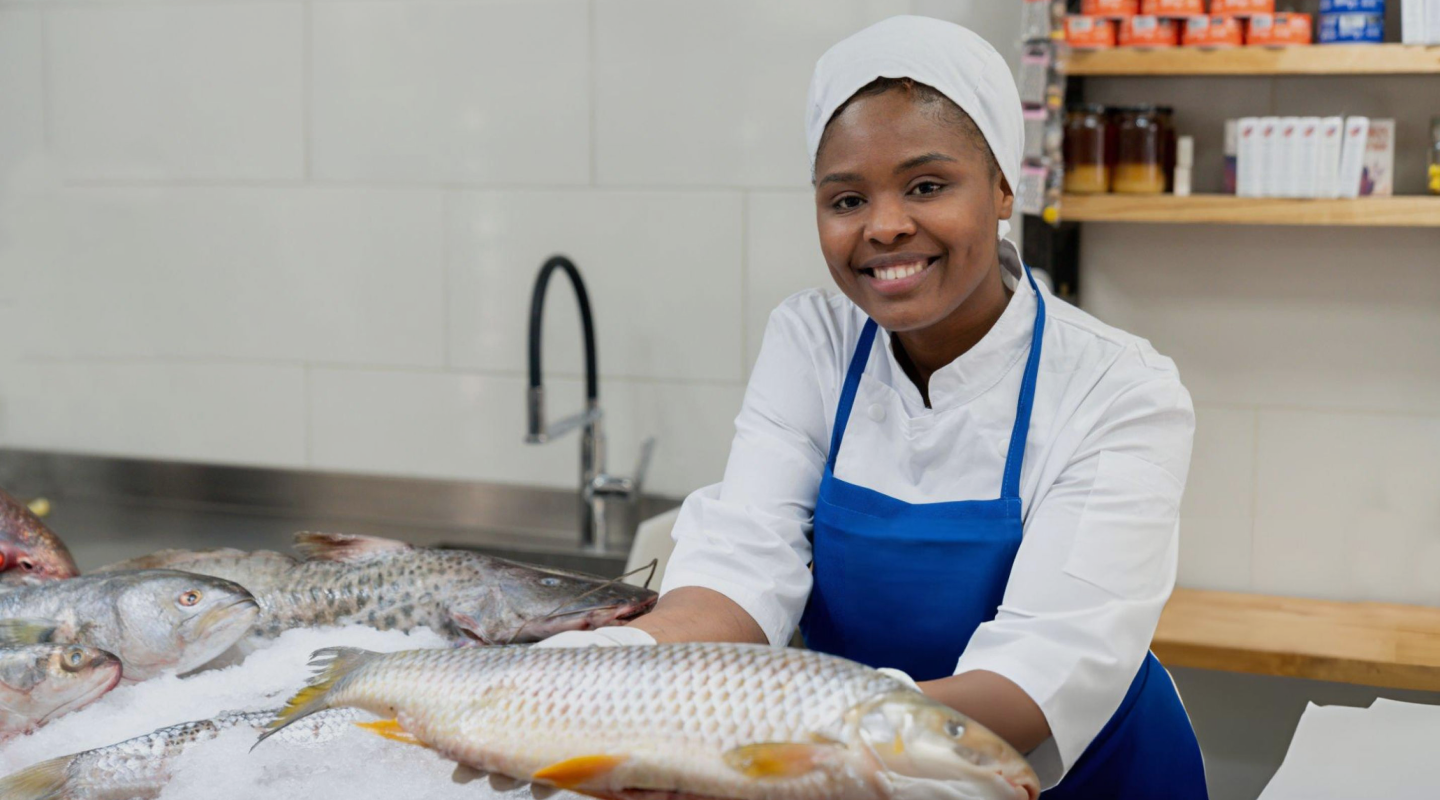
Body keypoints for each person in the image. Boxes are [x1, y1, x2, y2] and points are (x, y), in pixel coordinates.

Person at [542, 15, 1206, 798]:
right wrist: (614, 668)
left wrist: (784, 743)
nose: (885, 226)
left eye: (927, 186)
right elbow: (743, 563)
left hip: (1077, 780)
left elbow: (1039, 676)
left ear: (1003, 188)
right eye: (847, 198)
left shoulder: (1118, 389)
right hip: (855, 768)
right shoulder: (815, 340)